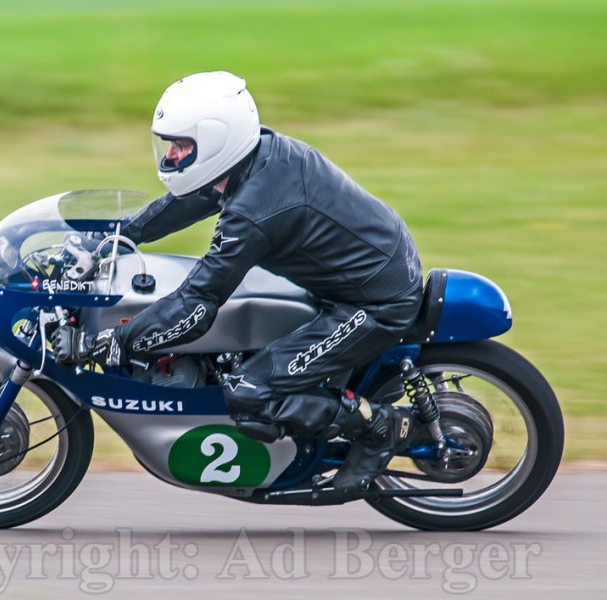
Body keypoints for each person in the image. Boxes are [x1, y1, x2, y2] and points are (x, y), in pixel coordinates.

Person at [53, 71, 424, 497]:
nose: (171, 156)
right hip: (361, 269)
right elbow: (186, 201)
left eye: (182, 145)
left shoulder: (252, 212)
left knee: (249, 391)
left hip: (373, 302)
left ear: (216, 140)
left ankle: (379, 427)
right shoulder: (252, 159)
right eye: (169, 144)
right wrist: (115, 237)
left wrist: (122, 338)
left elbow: (198, 302)